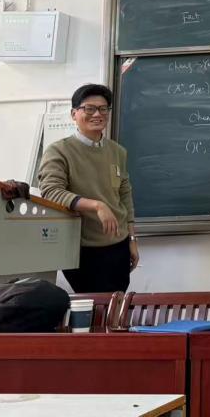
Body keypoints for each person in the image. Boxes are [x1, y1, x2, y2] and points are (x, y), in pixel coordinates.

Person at [38, 83, 138, 292]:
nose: (97, 114)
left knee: (117, 303)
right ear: (74, 114)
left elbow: (124, 195)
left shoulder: (117, 151)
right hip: (82, 248)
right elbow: (51, 192)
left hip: (118, 246)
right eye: (89, 109)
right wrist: (96, 205)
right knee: (92, 305)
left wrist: (132, 239)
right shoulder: (59, 151)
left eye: (103, 109)